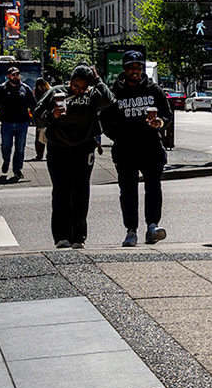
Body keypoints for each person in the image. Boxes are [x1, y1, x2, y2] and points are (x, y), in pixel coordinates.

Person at [39, 66, 114, 249]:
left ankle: (78, 236)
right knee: (61, 191)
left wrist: (98, 80)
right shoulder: (56, 93)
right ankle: (61, 236)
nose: (78, 90)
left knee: (80, 192)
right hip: (58, 148)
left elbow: (108, 100)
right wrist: (52, 115)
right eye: (75, 85)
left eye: (82, 87)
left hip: (83, 148)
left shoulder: (92, 95)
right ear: (70, 80)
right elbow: (37, 116)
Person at [107, 54, 172, 246]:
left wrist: (160, 123)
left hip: (151, 147)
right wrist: (118, 137)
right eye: (131, 67)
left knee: (153, 188)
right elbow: (105, 120)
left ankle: (152, 226)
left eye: (138, 67)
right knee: (128, 191)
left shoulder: (154, 90)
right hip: (125, 150)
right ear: (124, 68)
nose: (134, 70)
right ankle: (131, 231)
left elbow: (166, 114)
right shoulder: (114, 92)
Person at [0, 64, 33, 180]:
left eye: (17, 74)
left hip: (22, 123)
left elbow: (33, 105)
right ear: (8, 76)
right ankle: (6, 161)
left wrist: (38, 119)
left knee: (20, 148)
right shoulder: (1, 89)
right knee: (6, 146)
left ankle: (17, 170)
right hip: (7, 123)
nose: (15, 76)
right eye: (13, 75)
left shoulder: (25, 88)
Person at [31, 77, 50, 161]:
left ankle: (40, 154)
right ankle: (46, 154)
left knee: (39, 138)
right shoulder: (49, 90)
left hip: (41, 116)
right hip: (46, 116)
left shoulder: (37, 92)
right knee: (48, 137)